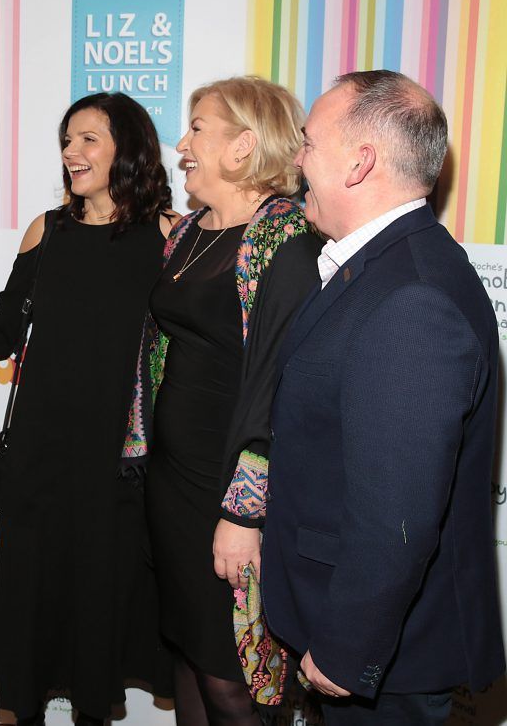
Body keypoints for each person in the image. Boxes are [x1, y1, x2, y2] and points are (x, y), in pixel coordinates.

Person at [0, 91, 175, 725]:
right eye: (67, 140)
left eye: (88, 139)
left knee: (100, 603)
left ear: (126, 148)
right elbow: (2, 329)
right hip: (40, 456)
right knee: (31, 607)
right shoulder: (48, 230)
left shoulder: (167, 237)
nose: (72, 153)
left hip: (116, 465)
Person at [261, 69, 506, 725]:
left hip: (382, 657)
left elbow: (397, 513)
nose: (297, 161)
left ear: (360, 161)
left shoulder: (412, 298)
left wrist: (346, 648)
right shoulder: (383, 265)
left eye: (309, 143)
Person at [134, 76, 322, 725]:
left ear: (244, 145)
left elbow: (286, 384)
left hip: (234, 491)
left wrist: (246, 510)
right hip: (172, 483)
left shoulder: (286, 239)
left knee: (235, 681)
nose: (181, 144)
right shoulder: (186, 233)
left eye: (198, 129)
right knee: (187, 654)